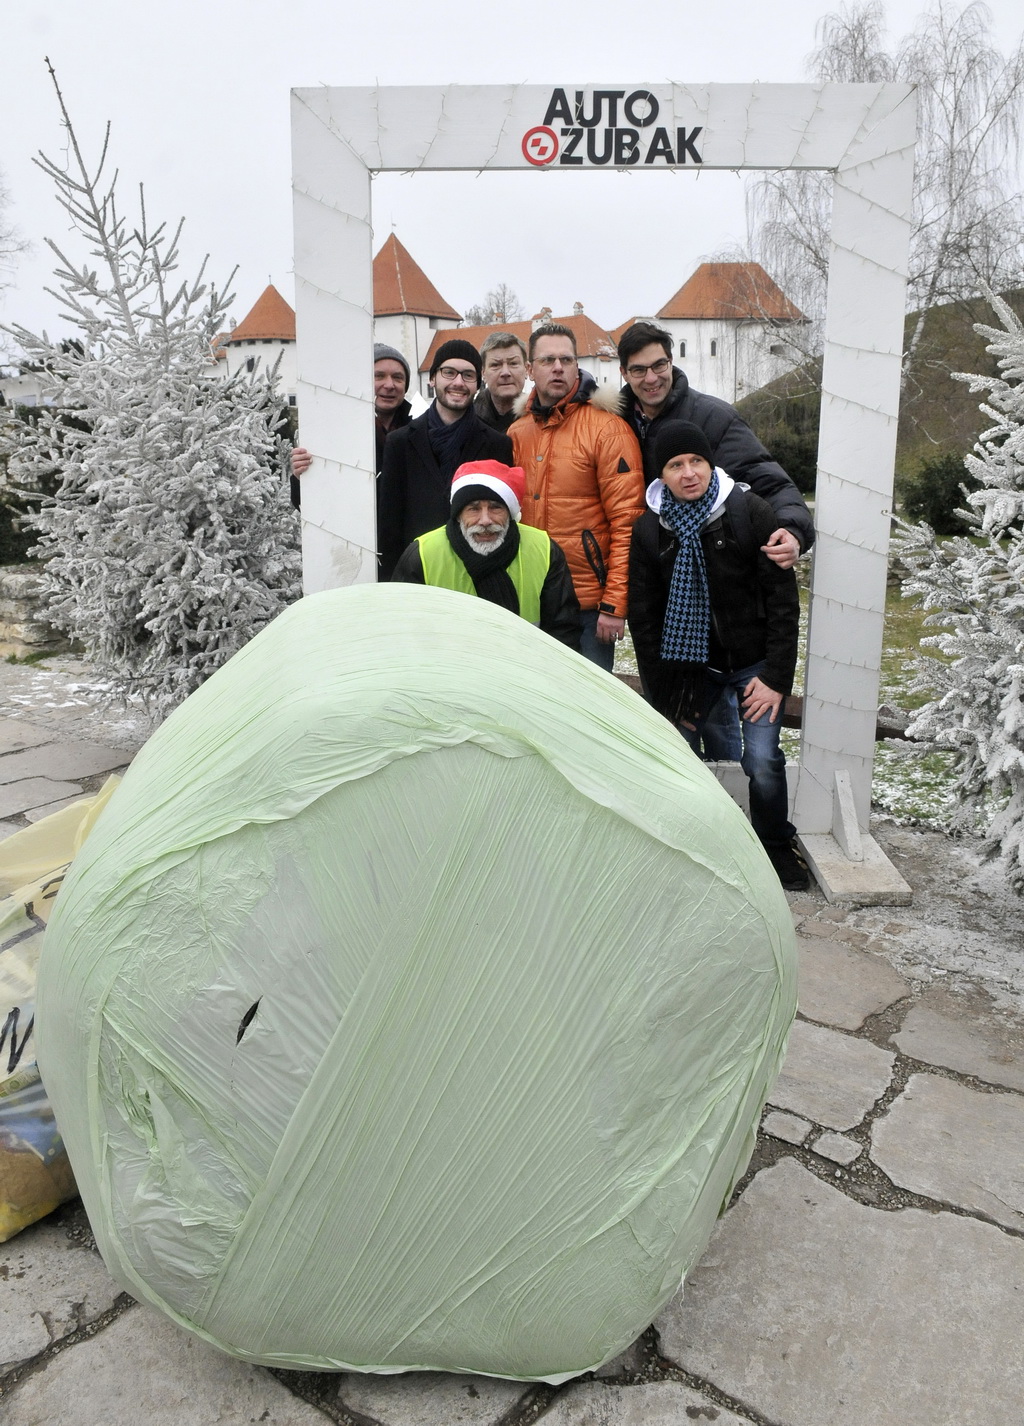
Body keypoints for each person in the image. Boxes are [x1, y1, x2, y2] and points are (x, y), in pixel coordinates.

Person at [627, 420, 809, 892]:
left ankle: (773, 843)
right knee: (678, 754)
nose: (689, 473)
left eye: (697, 462)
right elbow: (644, 620)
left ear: (711, 464)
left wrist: (774, 677)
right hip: (691, 669)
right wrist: (666, 694)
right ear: (660, 475)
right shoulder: (650, 530)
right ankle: (695, 841)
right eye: (675, 465)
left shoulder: (750, 512)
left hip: (753, 665)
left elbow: (783, 604)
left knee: (764, 761)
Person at [616, 322, 814, 570]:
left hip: (712, 570)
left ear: (671, 361)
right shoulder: (613, 425)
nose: (651, 378)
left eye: (659, 365)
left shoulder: (714, 417)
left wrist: (793, 529)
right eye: (639, 370)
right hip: (643, 574)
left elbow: (767, 480)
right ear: (624, 372)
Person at [509, 324, 644, 670]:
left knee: (587, 711)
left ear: (577, 365)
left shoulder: (607, 428)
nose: (558, 367)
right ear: (530, 369)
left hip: (588, 606)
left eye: (566, 359)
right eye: (548, 359)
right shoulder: (517, 432)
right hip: (530, 600)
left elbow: (627, 521)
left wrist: (614, 604)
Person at [391, 460, 580, 649]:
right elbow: (401, 631)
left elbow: (563, 632)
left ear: (510, 512)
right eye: (473, 508)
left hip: (524, 671)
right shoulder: (424, 554)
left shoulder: (543, 549)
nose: (485, 520)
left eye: (495, 507)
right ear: (458, 515)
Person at [378, 340, 512, 579]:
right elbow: (389, 525)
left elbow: (502, 518)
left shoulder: (496, 444)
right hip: (416, 573)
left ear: (478, 384)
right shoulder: (400, 443)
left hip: (474, 576)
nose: (458, 382)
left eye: (468, 375)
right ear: (432, 379)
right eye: (449, 372)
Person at [290, 344, 413, 501]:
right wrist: (302, 476)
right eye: (378, 376)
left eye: (398, 377)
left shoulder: (419, 431)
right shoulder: (336, 434)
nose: (389, 385)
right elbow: (307, 503)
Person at [474, 332, 529, 434]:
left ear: (527, 369)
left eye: (513, 363)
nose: (505, 372)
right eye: (495, 365)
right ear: (483, 373)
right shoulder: (465, 424)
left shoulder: (541, 422)